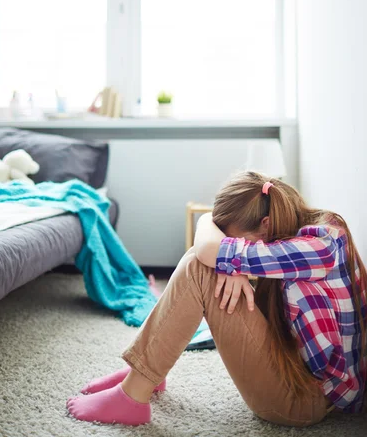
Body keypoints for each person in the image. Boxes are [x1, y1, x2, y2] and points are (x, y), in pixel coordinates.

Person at [67, 171, 367, 427]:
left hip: (307, 401)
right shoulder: (309, 226)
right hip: (298, 370)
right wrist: (231, 262)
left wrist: (228, 259)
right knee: (204, 263)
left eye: (238, 241)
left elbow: (208, 251)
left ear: (265, 224)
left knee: (200, 267)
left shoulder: (317, 248)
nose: (233, 247)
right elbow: (211, 245)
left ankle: (133, 396)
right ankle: (145, 373)